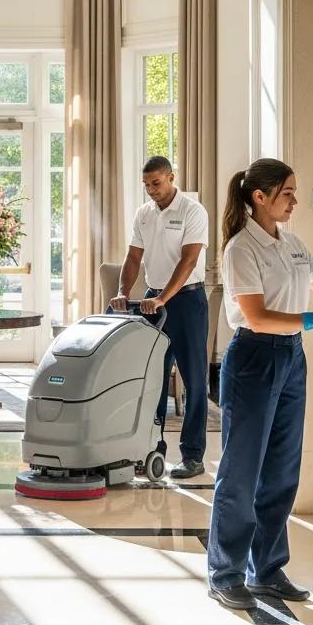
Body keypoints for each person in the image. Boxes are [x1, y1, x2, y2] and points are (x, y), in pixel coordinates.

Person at [206, 158, 313, 610]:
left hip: (290, 359)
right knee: (242, 470)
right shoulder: (240, 249)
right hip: (253, 359)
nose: (294, 201)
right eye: (287, 193)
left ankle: (266, 569)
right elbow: (257, 316)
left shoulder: (295, 244)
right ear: (258, 197)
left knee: (282, 469)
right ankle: (225, 573)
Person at [110, 156, 210, 479]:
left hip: (187, 301)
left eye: (156, 183)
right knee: (151, 376)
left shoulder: (193, 212)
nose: (151, 190)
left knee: (194, 380)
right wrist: (123, 292)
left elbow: (189, 260)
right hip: (154, 302)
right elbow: (133, 258)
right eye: (146, 185)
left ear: (171, 178)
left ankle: (193, 456)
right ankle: (149, 448)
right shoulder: (144, 214)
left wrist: (163, 298)